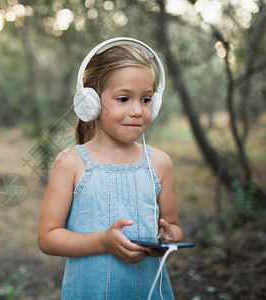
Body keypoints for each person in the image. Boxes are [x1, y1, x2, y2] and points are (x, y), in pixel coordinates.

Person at [38, 38, 183, 299]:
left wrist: (168, 237)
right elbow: (48, 238)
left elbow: (173, 225)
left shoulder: (159, 164)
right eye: (124, 98)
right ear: (90, 101)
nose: (138, 110)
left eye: (147, 99)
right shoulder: (70, 162)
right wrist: (103, 241)